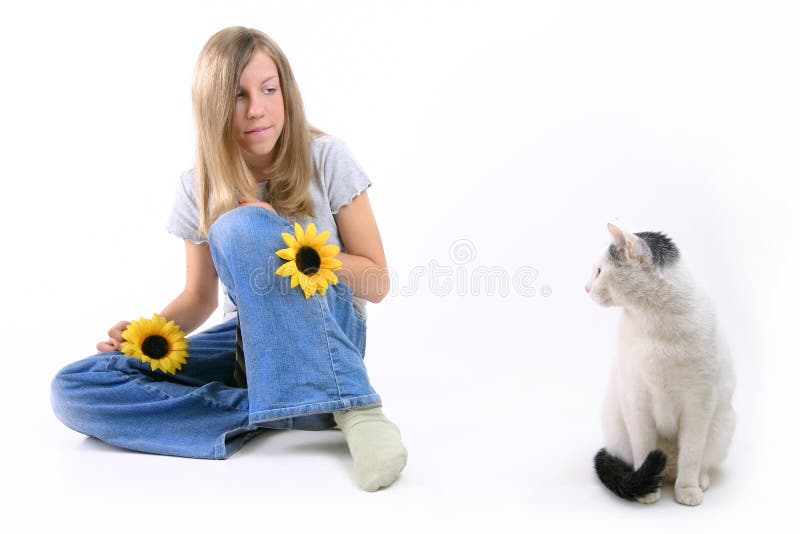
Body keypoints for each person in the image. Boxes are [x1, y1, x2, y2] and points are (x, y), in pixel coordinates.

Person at [50, 26, 407, 492]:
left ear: (286, 92)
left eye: (268, 89)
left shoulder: (327, 157)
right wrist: (145, 337)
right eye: (237, 95)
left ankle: (355, 405)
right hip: (247, 349)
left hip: (331, 335)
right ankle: (282, 406)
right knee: (76, 388)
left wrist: (292, 246)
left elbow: (377, 283)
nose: (256, 108)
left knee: (243, 227)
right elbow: (199, 298)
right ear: (213, 106)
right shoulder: (195, 185)